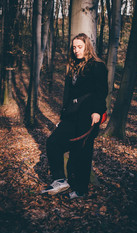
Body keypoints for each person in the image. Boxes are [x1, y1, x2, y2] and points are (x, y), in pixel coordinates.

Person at [41, 33, 108, 199]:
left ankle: (81, 189)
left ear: (86, 47)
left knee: (83, 152)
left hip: (89, 115)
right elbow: (69, 95)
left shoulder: (97, 66)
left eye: (79, 46)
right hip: (71, 115)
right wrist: (63, 117)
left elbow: (102, 91)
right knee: (53, 142)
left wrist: (98, 111)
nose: (76, 50)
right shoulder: (73, 67)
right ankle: (60, 180)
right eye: (74, 47)